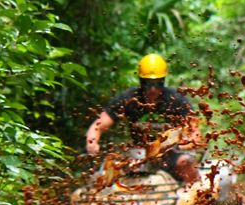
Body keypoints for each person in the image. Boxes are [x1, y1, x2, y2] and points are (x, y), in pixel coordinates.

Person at [84, 53, 202, 183]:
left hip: (171, 153)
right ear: (141, 82)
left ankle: (197, 194)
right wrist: (92, 142)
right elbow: (98, 125)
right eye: (147, 84)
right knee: (111, 168)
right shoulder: (130, 98)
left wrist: (184, 143)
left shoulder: (176, 100)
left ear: (163, 82)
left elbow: (195, 134)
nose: (152, 90)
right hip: (139, 154)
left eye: (158, 84)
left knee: (185, 162)